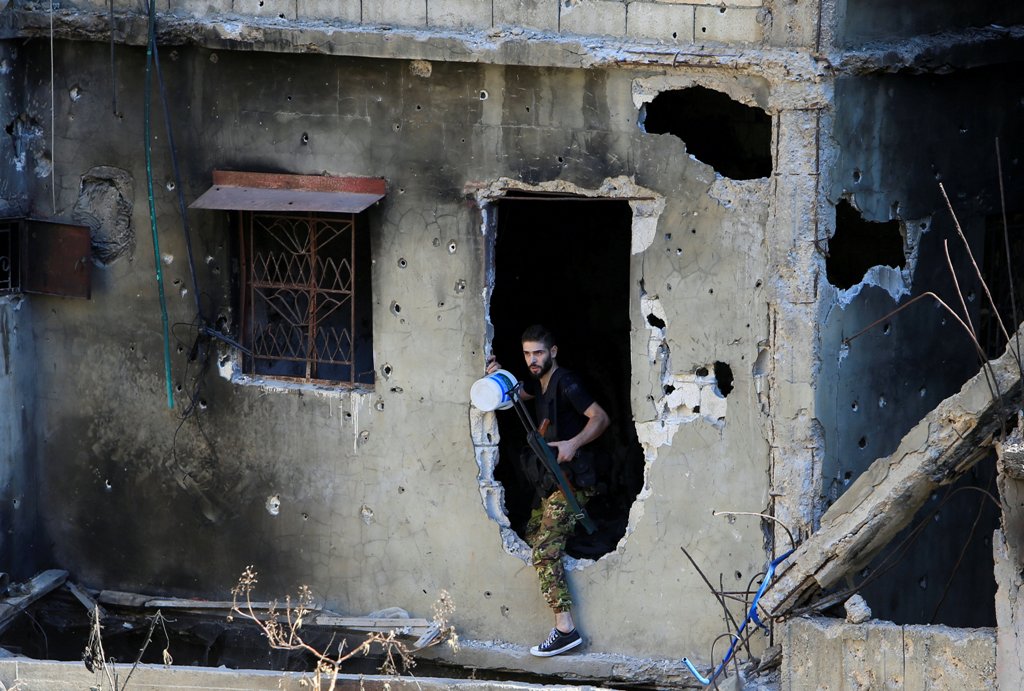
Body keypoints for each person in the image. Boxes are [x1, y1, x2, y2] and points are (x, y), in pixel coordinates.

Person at [487, 324, 610, 657]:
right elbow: (516, 394)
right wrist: (496, 375)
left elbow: (600, 418)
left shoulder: (566, 383)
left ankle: (565, 628)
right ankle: (574, 549)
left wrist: (574, 442)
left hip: (574, 483)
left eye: (538, 352)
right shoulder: (538, 383)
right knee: (530, 535)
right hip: (552, 483)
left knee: (543, 549)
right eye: (527, 353)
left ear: (552, 351)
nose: (532, 359)